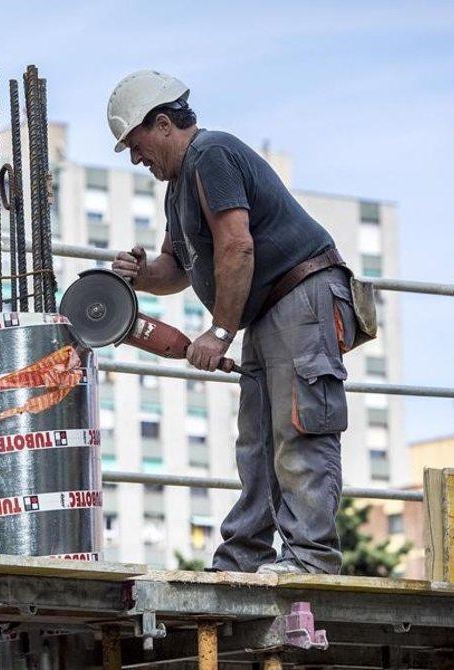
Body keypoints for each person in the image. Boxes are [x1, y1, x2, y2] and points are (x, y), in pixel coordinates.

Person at [106, 70, 358, 575]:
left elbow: (237, 244)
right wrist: (141, 275)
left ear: (162, 124)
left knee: (300, 427)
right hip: (269, 310)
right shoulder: (178, 188)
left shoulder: (211, 155)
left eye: (136, 145)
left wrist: (220, 332)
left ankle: (310, 560)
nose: (136, 158)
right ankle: (245, 556)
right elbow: (176, 269)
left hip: (302, 294)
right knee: (258, 439)